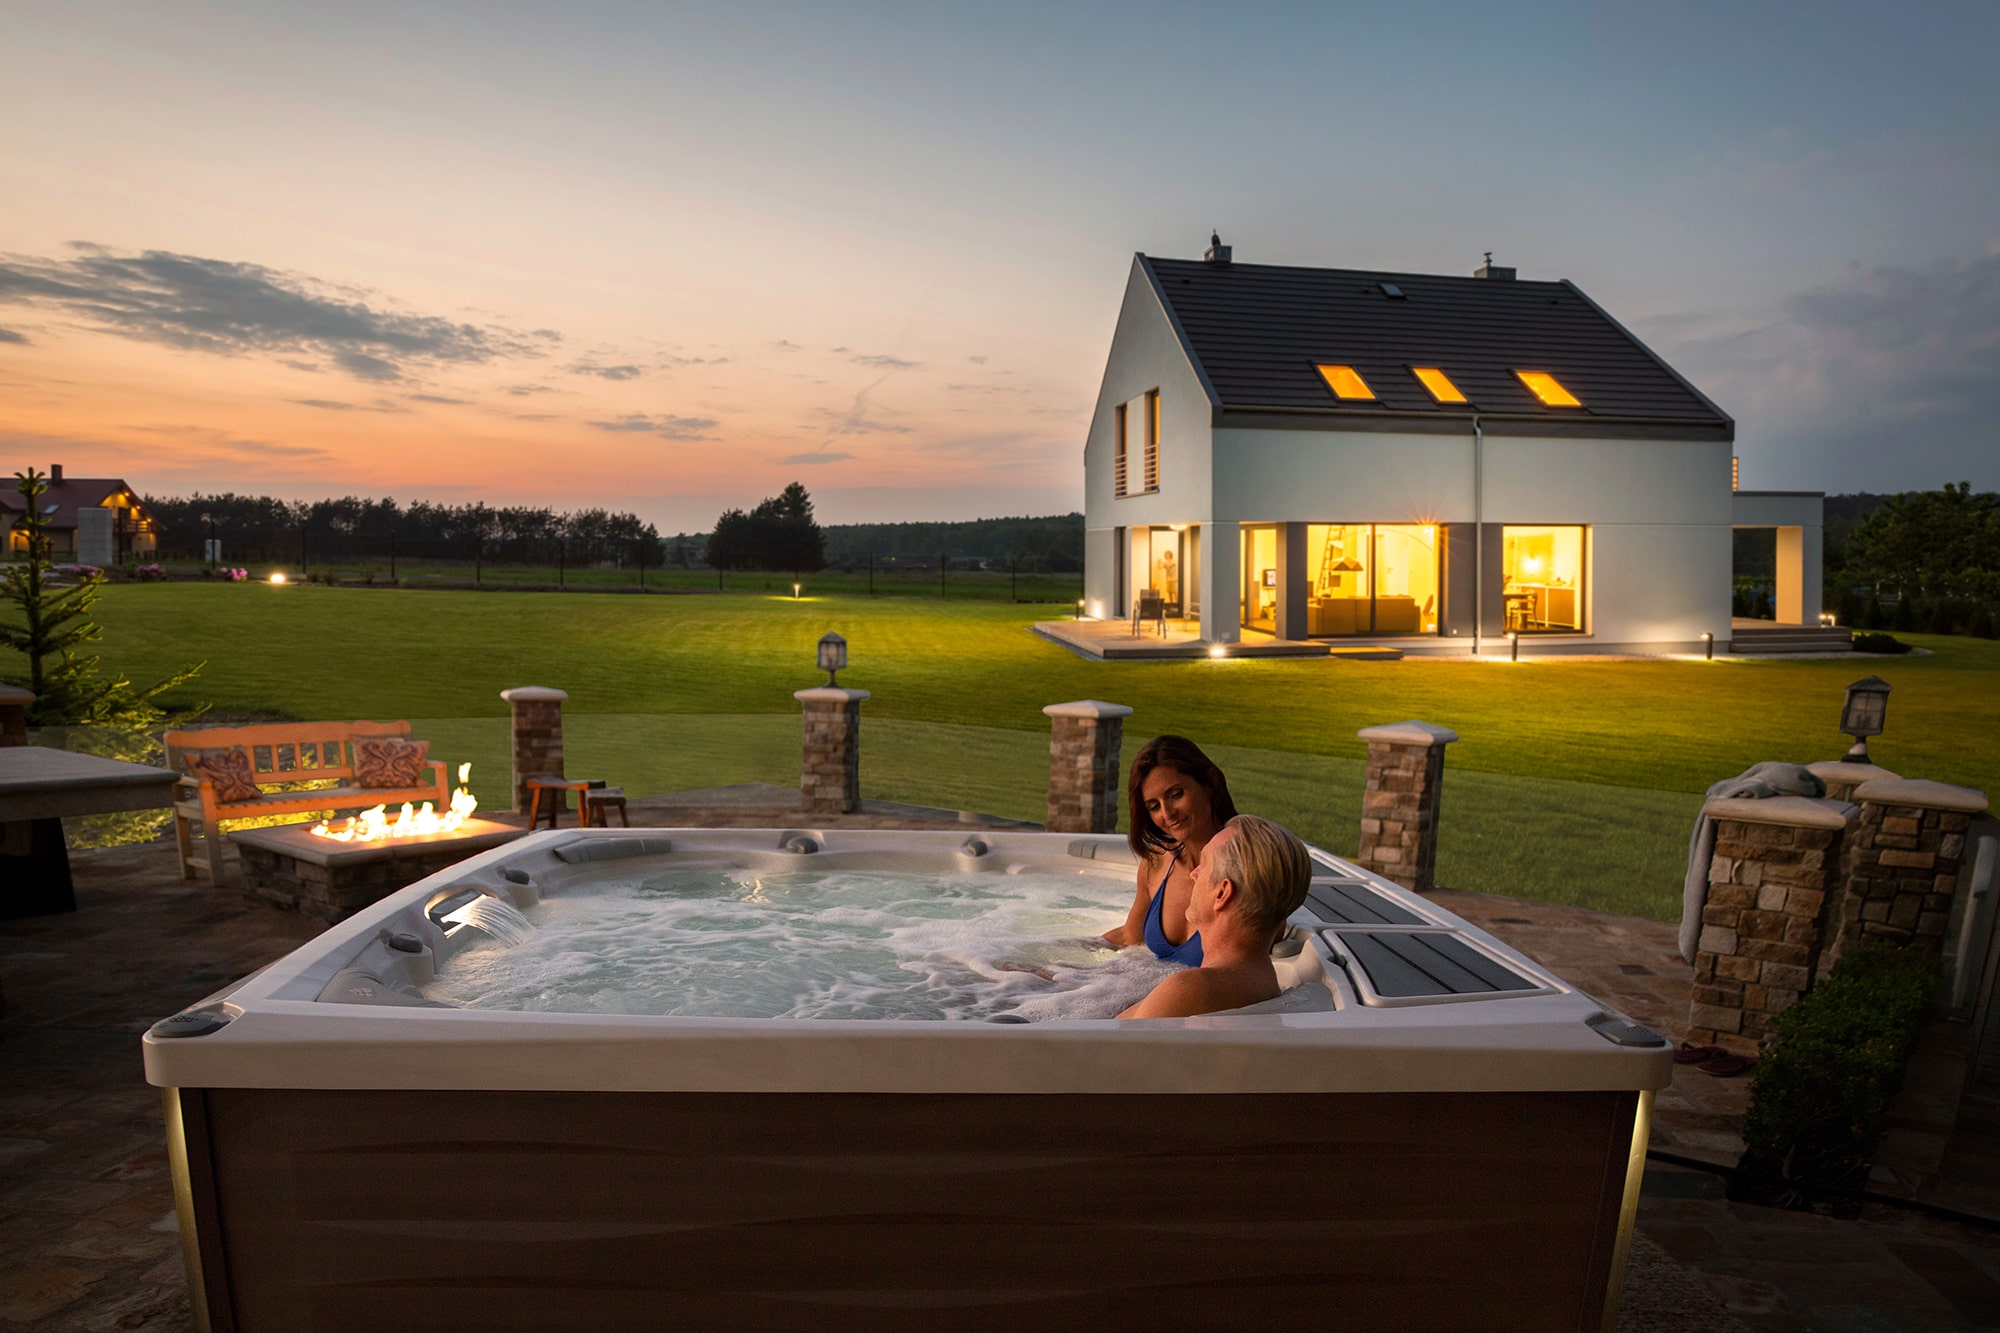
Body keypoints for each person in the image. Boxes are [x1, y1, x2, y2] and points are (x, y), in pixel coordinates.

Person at [1120, 814, 1312, 1019]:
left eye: (1204, 863)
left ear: (1221, 893)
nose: (1194, 873)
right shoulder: (1261, 983)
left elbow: (1109, 1045)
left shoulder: (1189, 991)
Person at [1099, 735, 1239, 965]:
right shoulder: (1157, 862)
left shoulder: (1246, 864)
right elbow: (1129, 937)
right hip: (1146, 991)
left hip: (1202, 999)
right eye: (1154, 806)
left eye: (1176, 795)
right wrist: (1047, 960)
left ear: (1209, 782)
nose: (1167, 813)